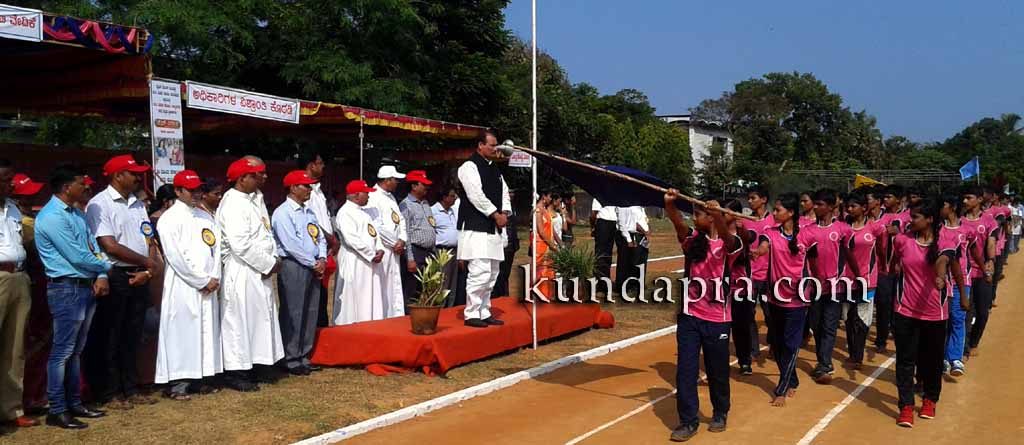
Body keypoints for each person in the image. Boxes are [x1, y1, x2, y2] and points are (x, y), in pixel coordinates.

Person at [35, 164, 111, 429]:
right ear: (67, 187)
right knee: (63, 351)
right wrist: (108, 268)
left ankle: (74, 402)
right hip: (66, 287)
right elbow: (78, 255)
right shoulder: (52, 216)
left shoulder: (77, 213)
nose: (86, 187)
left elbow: (92, 246)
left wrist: (101, 274)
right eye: (81, 183)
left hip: (84, 285)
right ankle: (57, 408)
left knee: (75, 350)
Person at [84, 154, 159, 410]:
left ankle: (131, 386)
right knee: (111, 334)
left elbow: (149, 237)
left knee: (133, 334)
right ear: (118, 175)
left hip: (139, 274)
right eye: (133, 173)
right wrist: (148, 263)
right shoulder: (99, 204)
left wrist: (147, 268)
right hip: (116, 276)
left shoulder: (138, 204)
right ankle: (110, 392)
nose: (138, 177)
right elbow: (109, 245)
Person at [664, 190, 740, 441]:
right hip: (690, 316)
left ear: (713, 217)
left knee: (717, 370)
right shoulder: (692, 240)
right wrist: (670, 205)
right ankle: (688, 420)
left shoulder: (732, 243)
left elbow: (727, 239)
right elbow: (678, 223)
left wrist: (718, 215)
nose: (694, 218)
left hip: (718, 317)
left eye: (699, 214)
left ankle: (721, 412)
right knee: (685, 370)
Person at [216, 156, 285, 392]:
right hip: (242, 269)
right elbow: (240, 244)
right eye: (258, 174)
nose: (264, 177)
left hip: (260, 269)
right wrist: (268, 263)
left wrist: (272, 259)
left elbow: (265, 233)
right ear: (242, 178)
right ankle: (237, 370)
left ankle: (260, 363)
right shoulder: (233, 203)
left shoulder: (256, 199)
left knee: (261, 318)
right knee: (239, 320)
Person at [154, 170, 223, 400]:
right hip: (184, 286)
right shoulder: (170, 219)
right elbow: (176, 256)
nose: (196, 194)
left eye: (198, 190)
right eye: (191, 190)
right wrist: (200, 280)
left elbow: (216, 249)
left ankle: (201, 377)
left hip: (208, 285)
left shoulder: (205, 217)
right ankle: (178, 383)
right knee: (182, 332)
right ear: (178, 191)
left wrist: (214, 276)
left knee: (205, 331)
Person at [891, 200, 960, 428]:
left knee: (931, 360)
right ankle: (906, 406)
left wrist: (941, 276)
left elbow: (944, 260)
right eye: (911, 216)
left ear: (930, 219)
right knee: (905, 360)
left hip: (935, 313)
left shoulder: (946, 241)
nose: (911, 221)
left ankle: (930, 399)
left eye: (916, 217)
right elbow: (895, 262)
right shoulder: (902, 240)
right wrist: (895, 268)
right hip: (904, 310)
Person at [751, 193, 815, 408]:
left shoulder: (806, 235)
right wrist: (756, 253)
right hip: (774, 296)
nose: (775, 213)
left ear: (791, 213)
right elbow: (763, 247)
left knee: (790, 344)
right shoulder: (770, 233)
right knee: (777, 344)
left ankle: (782, 388)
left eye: (778, 210)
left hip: (797, 299)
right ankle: (792, 378)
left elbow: (814, 259)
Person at [272, 170, 327, 376]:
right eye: (305, 186)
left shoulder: (309, 212)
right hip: (294, 265)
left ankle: (304, 353)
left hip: (312, 265)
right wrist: (313, 262)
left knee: (310, 310)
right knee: (293, 311)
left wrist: (321, 258)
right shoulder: (283, 212)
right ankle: (290, 356)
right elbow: (291, 244)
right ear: (293, 188)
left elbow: (319, 237)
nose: (309, 190)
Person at [456, 131, 511, 328]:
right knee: (479, 271)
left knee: (492, 273)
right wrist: (494, 214)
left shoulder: (495, 169)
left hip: (493, 229)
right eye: (492, 145)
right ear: (480, 145)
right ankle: (471, 312)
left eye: (496, 145)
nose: (495, 149)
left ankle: (484, 310)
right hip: (476, 227)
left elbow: (505, 192)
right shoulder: (468, 167)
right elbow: (475, 195)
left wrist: (504, 212)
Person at [805, 189, 859, 384]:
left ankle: (824, 363)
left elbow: (850, 255)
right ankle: (823, 358)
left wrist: (858, 277)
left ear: (830, 206)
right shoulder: (808, 231)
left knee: (829, 325)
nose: (816, 207)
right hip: (815, 287)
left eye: (820, 204)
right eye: (815, 204)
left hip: (837, 285)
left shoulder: (843, 230)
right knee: (816, 325)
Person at [0, 161, 39, 428]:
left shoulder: (13, 209)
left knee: (14, 348)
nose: (12, 184)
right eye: (6, 179)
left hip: (19, 277)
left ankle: (11, 409)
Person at [11, 173, 50, 416]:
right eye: (26, 196)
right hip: (31, 283)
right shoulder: (26, 223)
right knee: (27, 343)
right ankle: (28, 396)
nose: (32, 198)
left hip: (34, 284)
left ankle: (32, 395)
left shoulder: (28, 219)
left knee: (36, 342)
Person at [843, 192, 885, 370]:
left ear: (864, 208)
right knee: (848, 317)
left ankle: (857, 356)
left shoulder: (875, 228)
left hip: (867, 280)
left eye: (854, 206)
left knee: (862, 317)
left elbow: (882, 251)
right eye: (848, 206)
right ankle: (853, 350)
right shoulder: (843, 228)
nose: (850, 209)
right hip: (845, 280)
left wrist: (881, 270)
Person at [333, 180, 385, 325]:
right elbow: (351, 239)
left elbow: (374, 234)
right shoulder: (345, 213)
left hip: (369, 260)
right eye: (366, 193)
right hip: (354, 259)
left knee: (369, 293)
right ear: (356, 195)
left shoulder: (364, 214)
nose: (369, 196)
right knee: (353, 295)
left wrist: (379, 248)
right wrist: (371, 253)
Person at [297, 150, 337, 328]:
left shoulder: (318, 190)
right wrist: (330, 239)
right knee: (314, 298)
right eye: (320, 163)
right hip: (314, 250)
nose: (323, 167)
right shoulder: (304, 191)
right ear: (311, 165)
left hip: (324, 249)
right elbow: (311, 223)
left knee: (322, 297)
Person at [938, 194, 976, 377]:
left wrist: (985, 268)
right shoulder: (938, 229)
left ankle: (955, 358)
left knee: (958, 320)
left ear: (952, 207)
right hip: (941, 282)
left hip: (962, 281)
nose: (941, 209)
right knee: (942, 321)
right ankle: (943, 357)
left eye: (943, 205)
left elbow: (974, 252)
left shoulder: (967, 230)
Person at [739, 186, 775, 372]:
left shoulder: (774, 220)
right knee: (748, 314)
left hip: (770, 275)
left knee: (771, 314)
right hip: (750, 275)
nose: (750, 201)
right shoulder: (746, 221)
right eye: (749, 198)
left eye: (753, 198)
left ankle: (773, 341)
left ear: (763, 199)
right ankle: (753, 350)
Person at [960, 186, 997, 357]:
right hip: (962, 274)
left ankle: (974, 341)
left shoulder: (989, 221)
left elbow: (991, 243)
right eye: (964, 198)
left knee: (982, 312)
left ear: (980, 200)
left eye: (969, 198)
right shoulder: (959, 220)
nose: (965, 201)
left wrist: (990, 261)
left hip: (982, 272)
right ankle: (964, 346)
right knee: (965, 311)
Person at [367, 165, 408, 318]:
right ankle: (384, 316)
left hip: (396, 247)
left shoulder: (390, 197)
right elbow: (376, 225)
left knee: (394, 282)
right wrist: (393, 243)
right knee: (384, 283)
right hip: (384, 247)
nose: (397, 182)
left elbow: (401, 220)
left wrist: (402, 239)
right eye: (395, 179)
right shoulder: (373, 196)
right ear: (387, 180)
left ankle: (395, 315)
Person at [875, 184, 911, 353]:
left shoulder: (907, 216)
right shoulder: (881, 215)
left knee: (898, 304)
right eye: (884, 197)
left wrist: (896, 230)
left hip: (900, 268)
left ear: (899, 199)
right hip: (882, 268)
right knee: (883, 304)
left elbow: (896, 228)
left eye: (889, 197)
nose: (885, 200)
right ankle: (881, 339)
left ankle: (899, 336)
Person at [400, 170, 437, 308]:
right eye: (423, 185)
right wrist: (410, 258)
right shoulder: (406, 205)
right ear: (414, 186)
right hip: (416, 251)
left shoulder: (426, 203)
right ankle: (407, 317)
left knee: (426, 288)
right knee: (412, 288)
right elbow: (406, 233)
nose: (426, 188)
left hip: (429, 252)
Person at [432, 185, 461, 305]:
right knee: (442, 283)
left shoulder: (452, 211)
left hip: (454, 251)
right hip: (442, 251)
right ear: (444, 197)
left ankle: (450, 308)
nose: (454, 199)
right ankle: (440, 309)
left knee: (452, 284)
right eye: (452, 196)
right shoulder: (433, 211)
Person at [531, 191, 558, 301]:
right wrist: (552, 245)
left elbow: (550, 229)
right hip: (541, 245)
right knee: (541, 271)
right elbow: (541, 231)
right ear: (544, 196)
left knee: (548, 271)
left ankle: (547, 295)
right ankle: (539, 295)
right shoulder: (538, 211)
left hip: (548, 245)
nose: (550, 199)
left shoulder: (545, 210)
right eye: (550, 196)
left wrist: (557, 243)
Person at [590, 198, 618, 284]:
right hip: (610, 223)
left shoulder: (599, 195)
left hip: (604, 224)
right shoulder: (614, 194)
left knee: (603, 253)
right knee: (605, 253)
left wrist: (593, 226)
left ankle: (603, 280)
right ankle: (602, 281)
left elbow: (594, 214)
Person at [614, 203, 638, 296]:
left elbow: (632, 224)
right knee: (623, 262)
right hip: (623, 235)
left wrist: (634, 239)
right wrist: (628, 239)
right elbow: (622, 224)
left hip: (631, 234)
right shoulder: (621, 205)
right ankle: (620, 287)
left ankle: (627, 285)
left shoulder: (631, 205)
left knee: (630, 262)